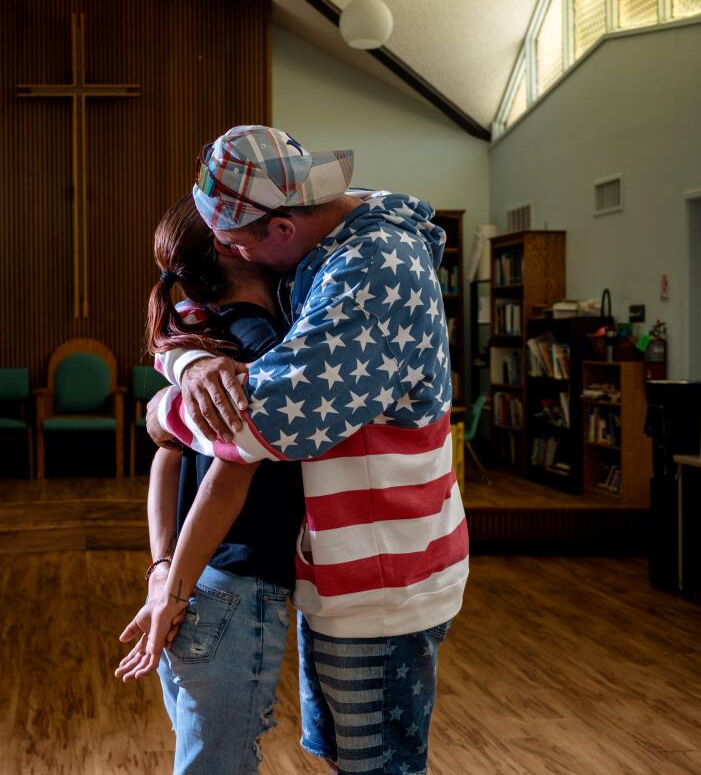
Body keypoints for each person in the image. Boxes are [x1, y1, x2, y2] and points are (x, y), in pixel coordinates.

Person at [131, 126, 469, 775]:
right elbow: (204, 338)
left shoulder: (371, 267)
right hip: (344, 569)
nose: (233, 257)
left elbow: (264, 427)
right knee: (351, 757)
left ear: (281, 228)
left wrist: (160, 412)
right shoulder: (314, 254)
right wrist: (188, 364)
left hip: (385, 576)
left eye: (235, 244)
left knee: (380, 765)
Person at [115, 195, 305, 774]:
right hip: (232, 590)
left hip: (190, 583)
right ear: (230, 244)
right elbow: (227, 482)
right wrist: (170, 588)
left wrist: (162, 572)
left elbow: (164, 456)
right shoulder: (265, 350)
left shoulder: (198, 338)